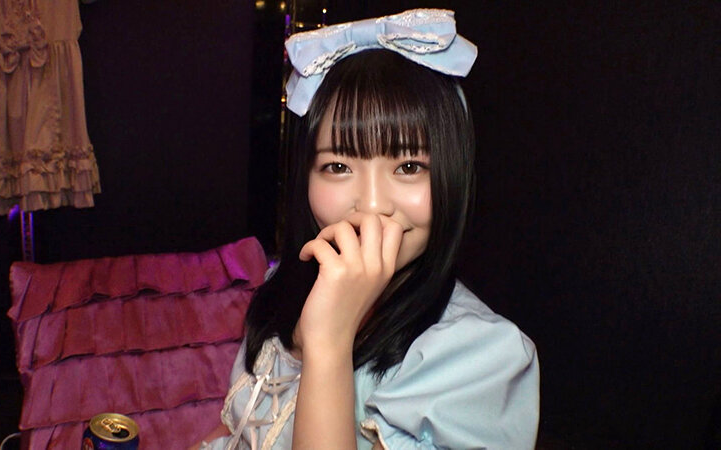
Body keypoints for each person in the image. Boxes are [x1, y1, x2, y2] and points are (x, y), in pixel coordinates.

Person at [195, 8, 539, 449]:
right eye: (338, 166)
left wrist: (329, 342)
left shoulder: (484, 357)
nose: (373, 206)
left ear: (453, 174)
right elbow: (233, 431)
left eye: (409, 167)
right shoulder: (285, 288)